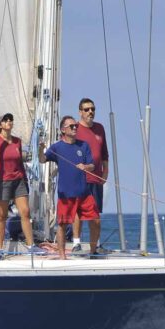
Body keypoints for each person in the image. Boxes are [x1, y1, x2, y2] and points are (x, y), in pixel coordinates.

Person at [40, 115, 100, 259]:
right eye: (71, 126)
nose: (75, 128)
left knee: (96, 220)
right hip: (66, 195)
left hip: (84, 193)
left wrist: (86, 167)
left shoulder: (83, 145)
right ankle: (62, 256)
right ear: (63, 130)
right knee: (62, 225)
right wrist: (40, 149)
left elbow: (92, 165)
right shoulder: (57, 147)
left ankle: (93, 252)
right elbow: (42, 160)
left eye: (76, 126)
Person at [0, 113, 38, 258]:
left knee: (25, 212)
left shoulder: (17, 141)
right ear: (0, 125)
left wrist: (25, 179)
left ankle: (31, 246)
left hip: (18, 180)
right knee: (1, 216)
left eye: (10, 120)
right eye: (5, 120)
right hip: (1, 181)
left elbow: (19, 163)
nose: (9, 121)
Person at [73, 98, 109, 250]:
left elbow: (104, 153)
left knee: (95, 214)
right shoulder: (75, 129)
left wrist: (105, 172)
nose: (90, 112)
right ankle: (76, 243)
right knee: (78, 211)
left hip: (96, 178)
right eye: (87, 109)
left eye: (92, 109)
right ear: (80, 112)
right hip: (79, 179)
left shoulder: (100, 128)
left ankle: (95, 246)